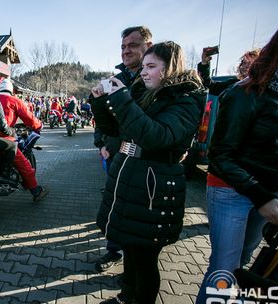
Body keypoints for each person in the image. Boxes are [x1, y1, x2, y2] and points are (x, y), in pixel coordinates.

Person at [91, 41, 205, 304]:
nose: (143, 72)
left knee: (144, 259)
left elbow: (155, 136)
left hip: (154, 186)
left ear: (170, 68)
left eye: (151, 66)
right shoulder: (144, 93)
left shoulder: (186, 100)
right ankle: (125, 297)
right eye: (143, 66)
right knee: (131, 249)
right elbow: (117, 130)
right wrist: (99, 103)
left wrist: (121, 98)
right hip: (132, 178)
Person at [196, 15, 278, 304]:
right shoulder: (244, 90)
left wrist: (272, 195)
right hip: (231, 190)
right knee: (225, 269)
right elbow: (220, 155)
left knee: (242, 262)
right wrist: (262, 197)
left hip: (269, 193)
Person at [93, 25, 154, 273]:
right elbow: (105, 117)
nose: (126, 51)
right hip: (117, 152)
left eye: (133, 45)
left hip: (146, 156)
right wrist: (103, 145)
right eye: (123, 47)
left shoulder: (155, 77)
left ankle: (136, 265)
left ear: (148, 47)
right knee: (117, 201)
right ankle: (114, 250)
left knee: (139, 209)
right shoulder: (115, 78)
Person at [0, 78, 49, 203]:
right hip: (5, 139)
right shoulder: (13, 100)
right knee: (25, 166)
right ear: (11, 89)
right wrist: (39, 125)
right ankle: (36, 192)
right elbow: (29, 118)